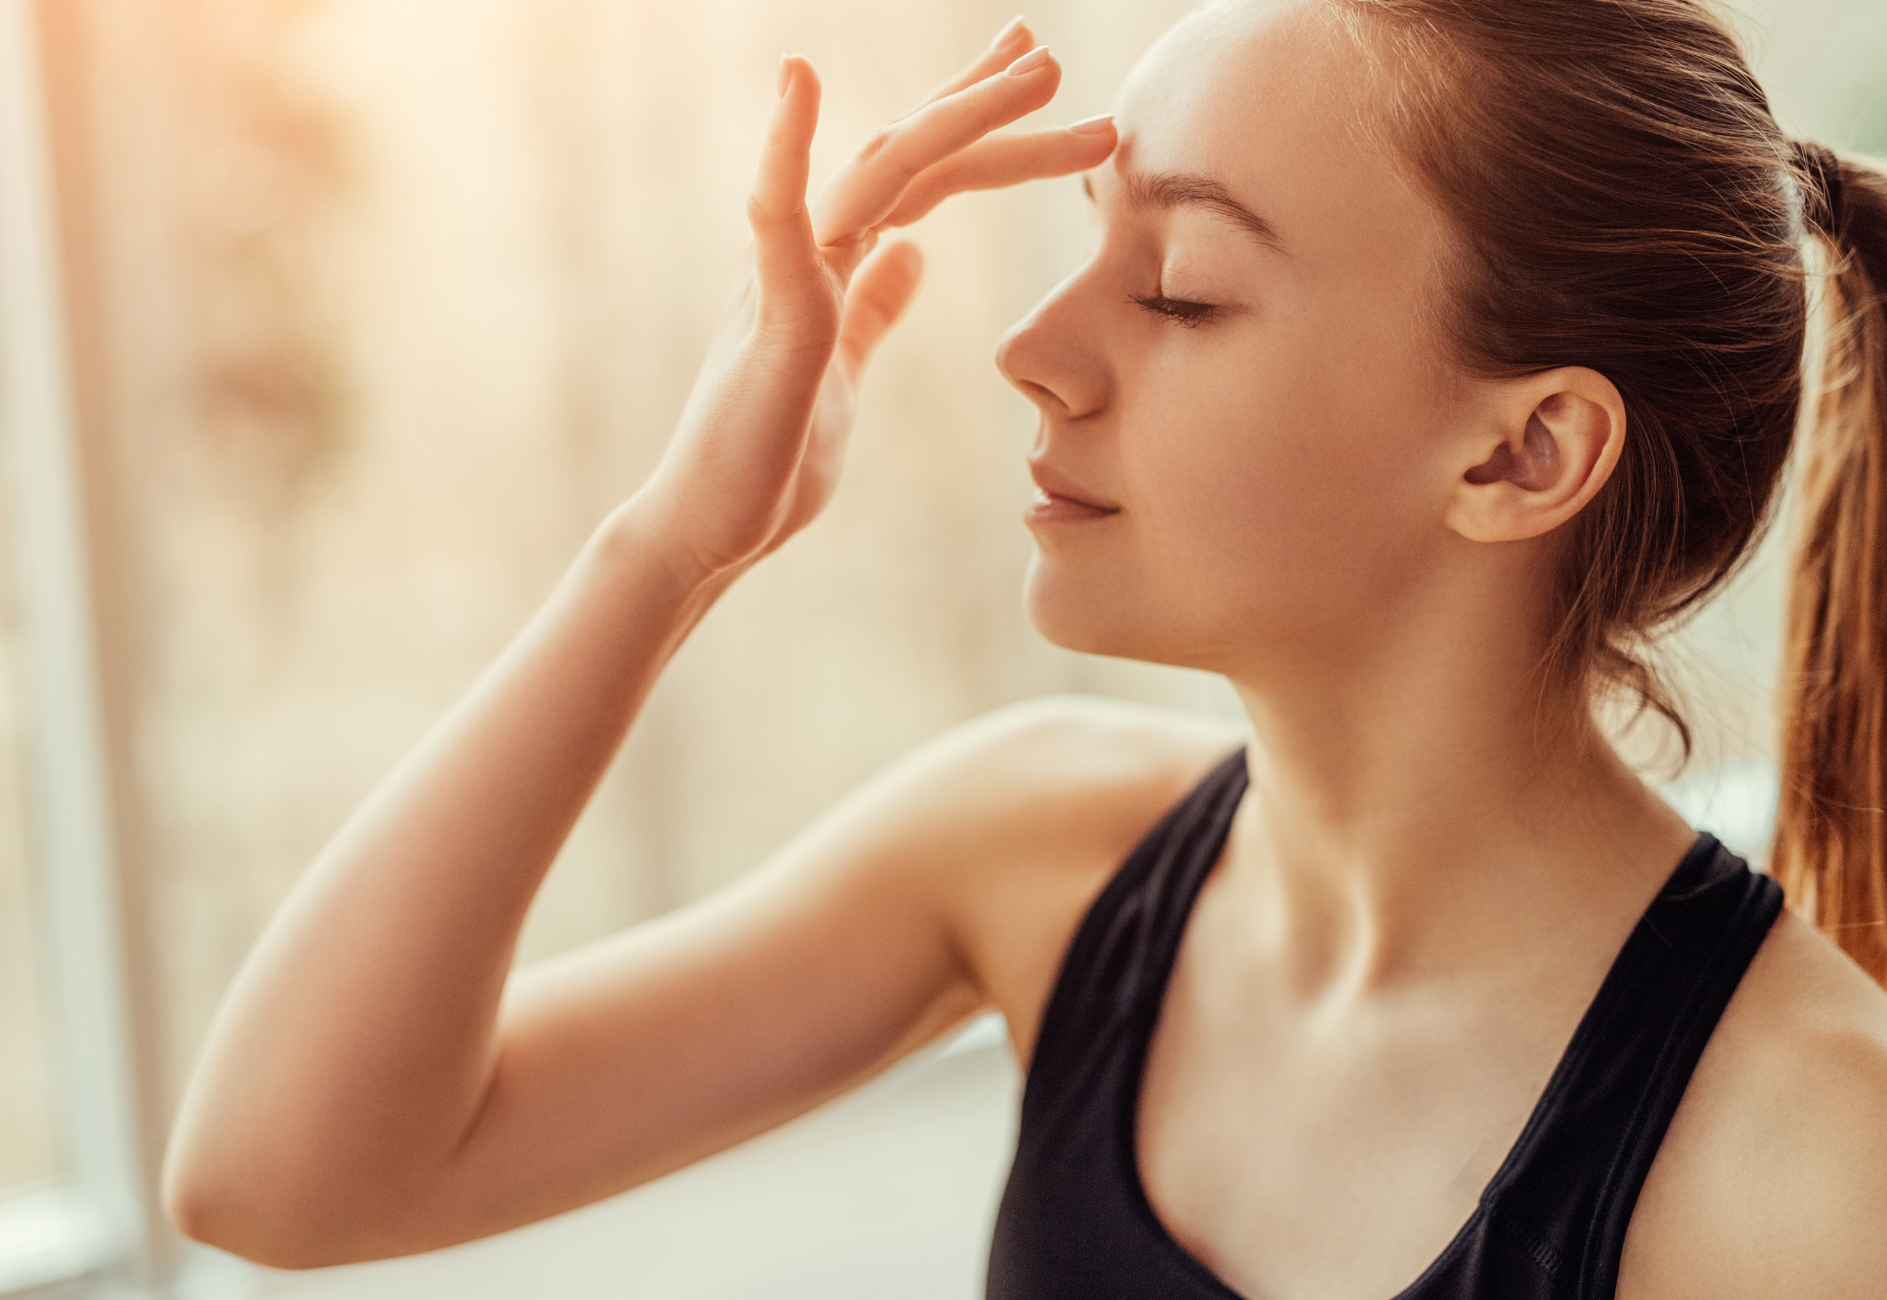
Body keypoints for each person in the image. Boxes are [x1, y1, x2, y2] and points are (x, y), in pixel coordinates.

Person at [162, 0, 1887, 1295]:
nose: (1028, 348)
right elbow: (282, 1176)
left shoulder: (1820, 1165)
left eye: (1183, 288)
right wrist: (675, 543)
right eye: (1088, 243)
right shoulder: (1042, 854)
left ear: (1521, 455)